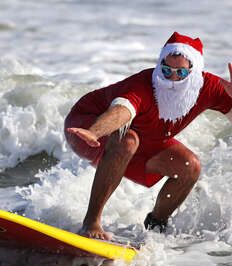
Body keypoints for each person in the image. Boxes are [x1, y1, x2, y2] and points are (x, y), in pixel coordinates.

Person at [64, 32, 232, 240]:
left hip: (143, 142)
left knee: (189, 166)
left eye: (180, 73)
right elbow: (121, 112)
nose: (171, 78)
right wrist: (94, 131)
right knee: (127, 140)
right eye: (166, 69)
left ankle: (155, 227)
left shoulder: (210, 88)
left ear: (195, 71)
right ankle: (91, 223)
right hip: (87, 127)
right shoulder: (144, 84)